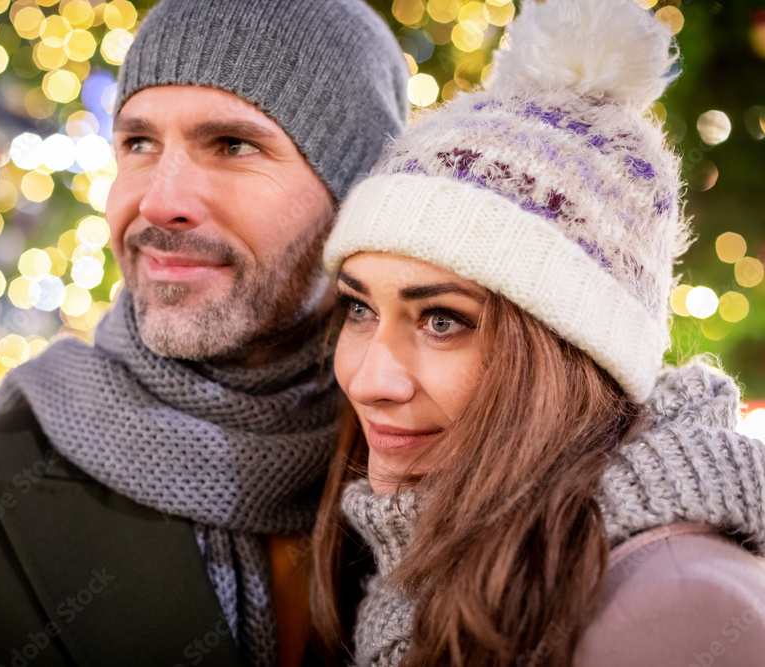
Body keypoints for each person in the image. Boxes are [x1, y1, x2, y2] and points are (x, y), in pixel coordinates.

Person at [0, 1, 410, 666]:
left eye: (233, 145)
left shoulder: (442, 492)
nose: (159, 200)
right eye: (138, 143)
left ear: (357, 197)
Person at [311, 1, 765, 665]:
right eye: (360, 309)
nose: (371, 379)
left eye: (442, 320)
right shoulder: (417, 560)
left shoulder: (676, 609)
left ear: (573, 355)